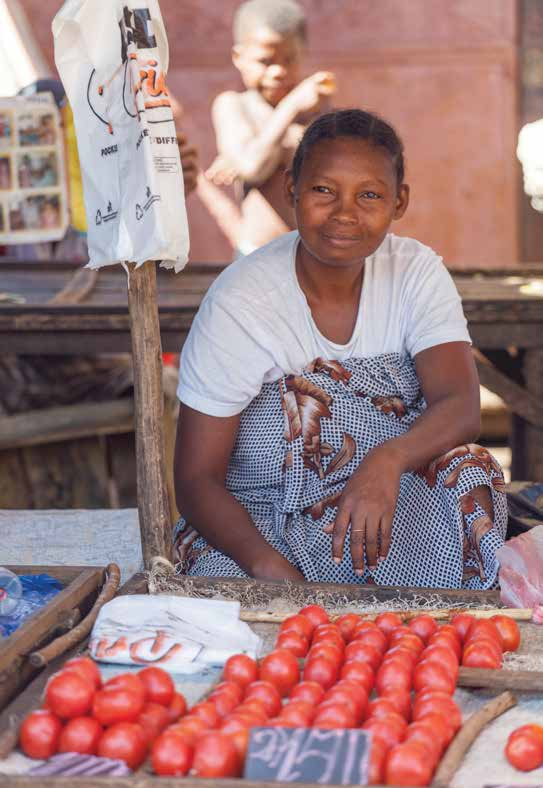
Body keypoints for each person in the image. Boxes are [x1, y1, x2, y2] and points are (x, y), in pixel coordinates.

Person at [173, 108, 508, 590]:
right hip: (265, 521)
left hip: (382, 512)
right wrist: (268, 566)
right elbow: (196, 480)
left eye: (369, 194)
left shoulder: (415, 273)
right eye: (323, 190)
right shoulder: (242, 301)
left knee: (469, 468)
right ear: (291, 189)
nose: (345, 213)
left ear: (399, 202)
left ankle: (430, 607)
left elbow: (460, 405)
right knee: (226, 598)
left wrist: (386, 461)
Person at [207, 0, 335, 255]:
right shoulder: (233, 106)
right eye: (265, 61)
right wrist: (291, 109)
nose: (278, 71)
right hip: (256, 257)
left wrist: (262, 146)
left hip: (312, 257)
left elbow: (326, 168)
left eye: (290, 59)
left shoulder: (317, 110)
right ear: (238, 57)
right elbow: (254, 168)